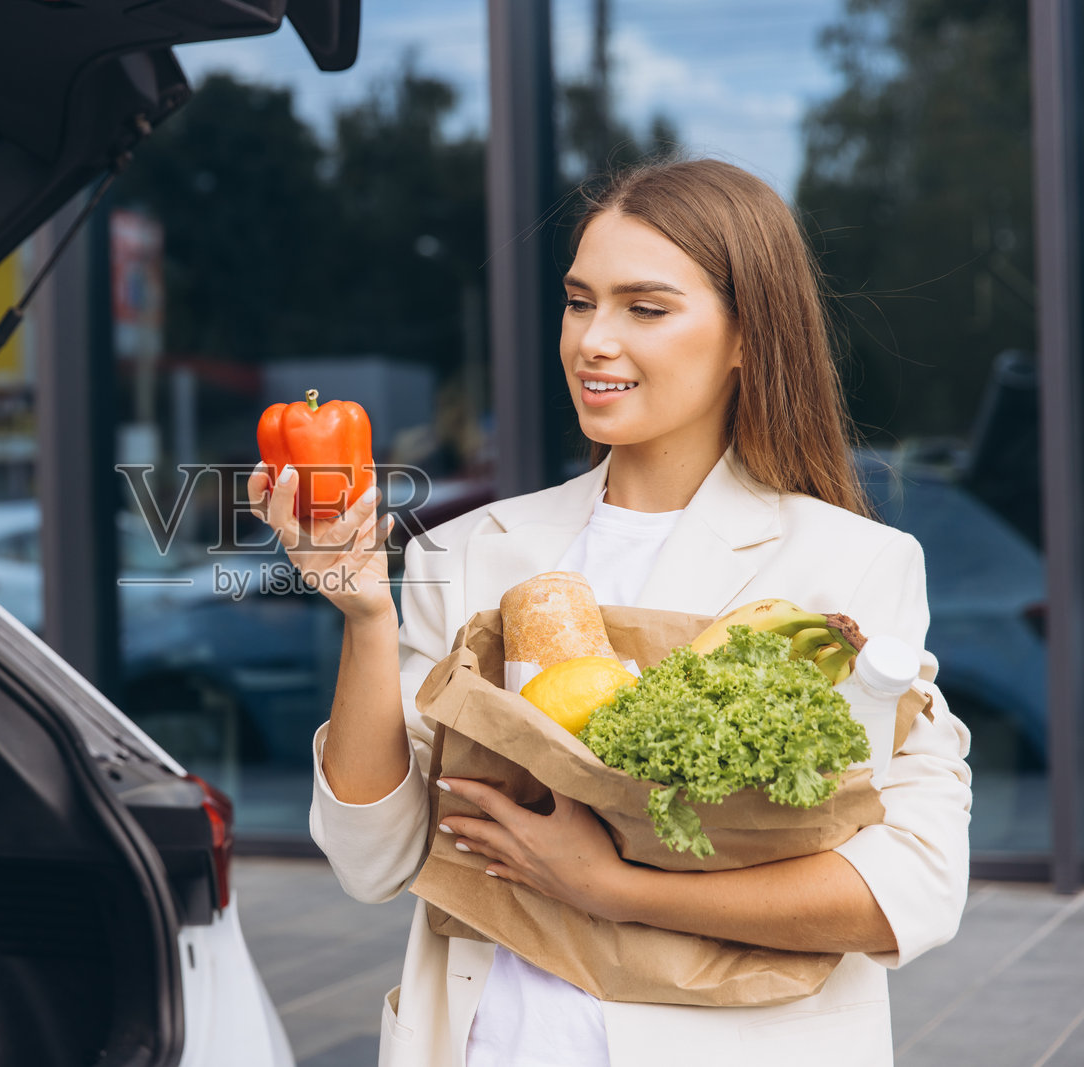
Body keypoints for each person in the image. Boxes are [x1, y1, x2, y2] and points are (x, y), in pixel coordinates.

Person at [246, 158, 972, 1067]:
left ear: (750, 334)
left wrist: (612, 886)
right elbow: (374, 861)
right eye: (579, 300)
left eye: (645, 307)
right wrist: (363, 617)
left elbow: (913, 890)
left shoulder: (851, 568)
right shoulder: (466, 552)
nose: (593, 339)